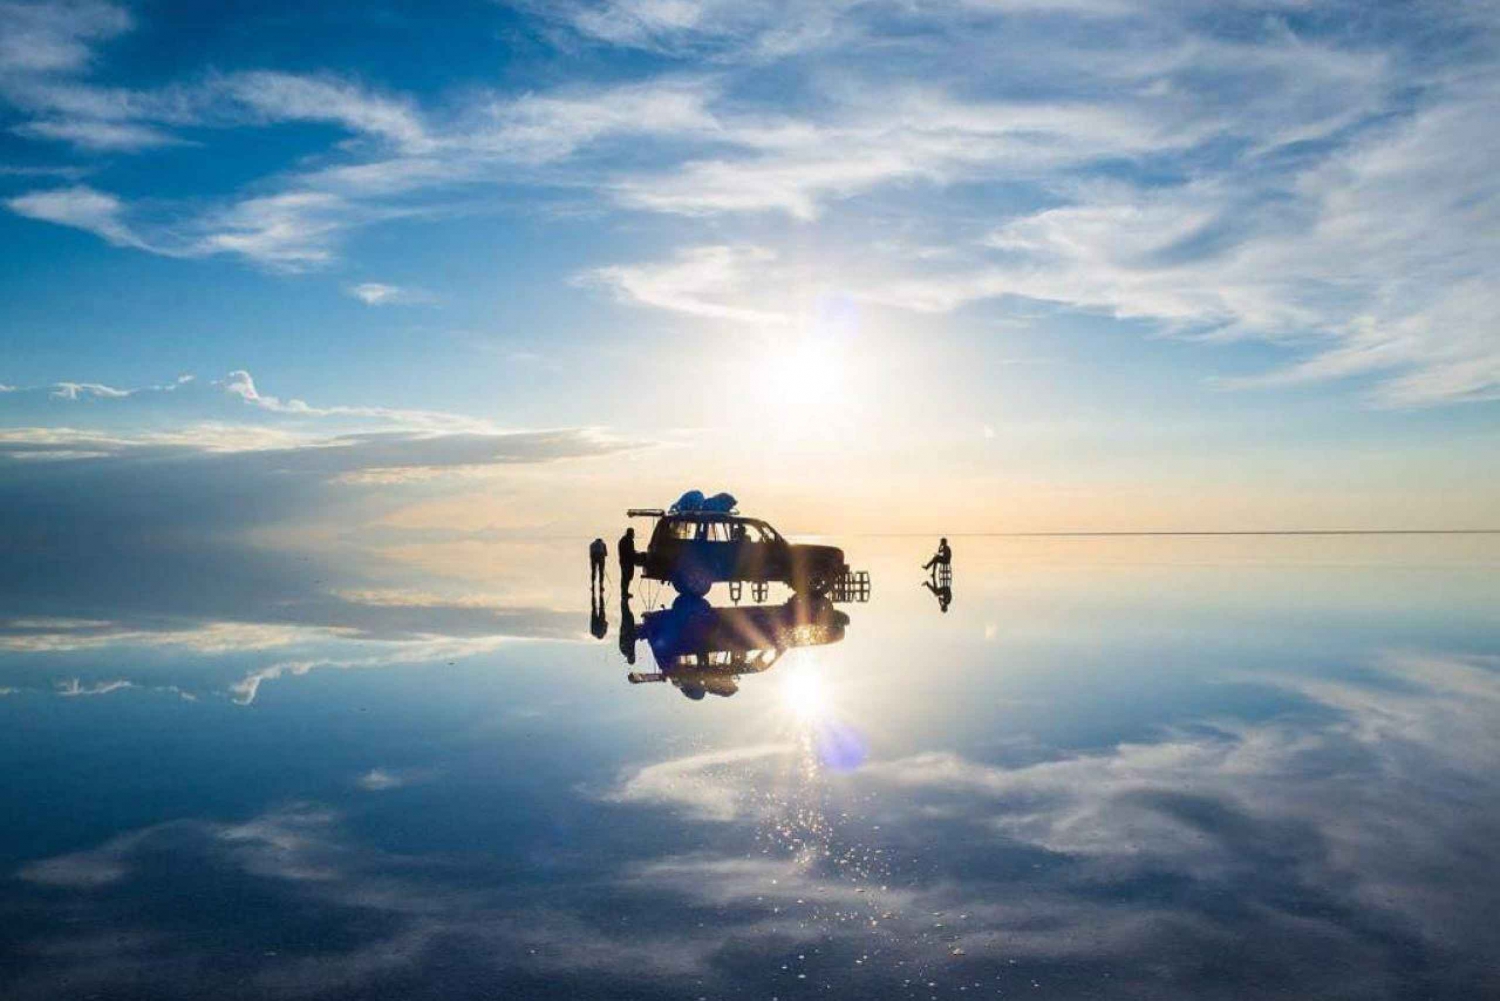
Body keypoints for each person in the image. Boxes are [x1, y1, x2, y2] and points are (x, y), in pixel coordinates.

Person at [618, 526, 637, 597]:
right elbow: (629, 551)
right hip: (627, 561)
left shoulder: (623, 540)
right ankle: (624, 592)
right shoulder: (628, 540)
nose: (634, 534)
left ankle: (624, 592)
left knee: (625, 577)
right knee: (626, 577)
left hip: (624, 561)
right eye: (633, 533)